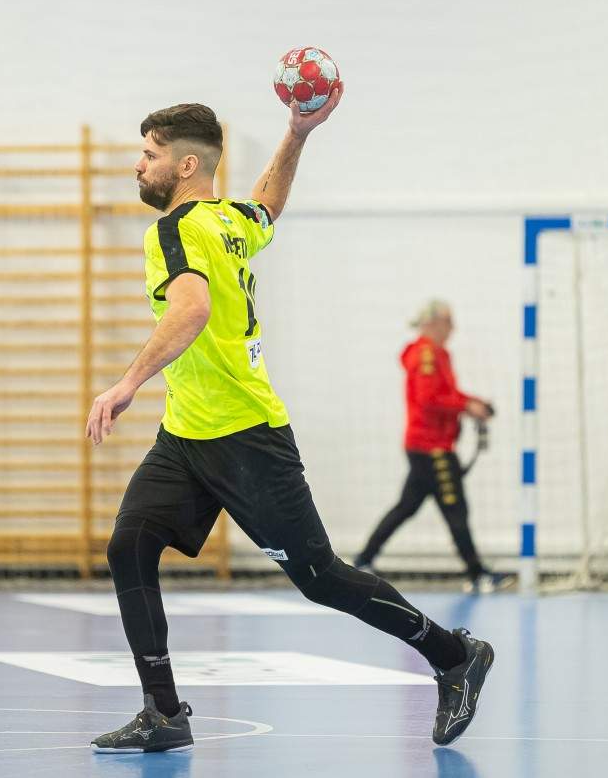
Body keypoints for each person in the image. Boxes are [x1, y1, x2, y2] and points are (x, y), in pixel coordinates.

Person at [84, 95, 493, 753]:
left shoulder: (174, 231)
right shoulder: (229, 220)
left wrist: (126, 383)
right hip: (186, 436)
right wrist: (297, 133)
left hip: (247, 437)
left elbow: (190, 310)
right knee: (129, 545)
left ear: (186, 166)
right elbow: (267, 205)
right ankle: (163, 713)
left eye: (150, 155)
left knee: (320, 577)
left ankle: (454, 655)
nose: (138, 165)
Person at [354, 301, 507, 593]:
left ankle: (364, 559)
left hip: (427, 445)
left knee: (407, 506)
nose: (453, 328)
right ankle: (476, 574)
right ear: (432, 322)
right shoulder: (426, 355)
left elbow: (445, 393)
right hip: (431, 447)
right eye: (449, 321)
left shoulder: (438, 354)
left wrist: (472, 403)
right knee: (455, 508)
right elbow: (429, 399)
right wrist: (466, 406)